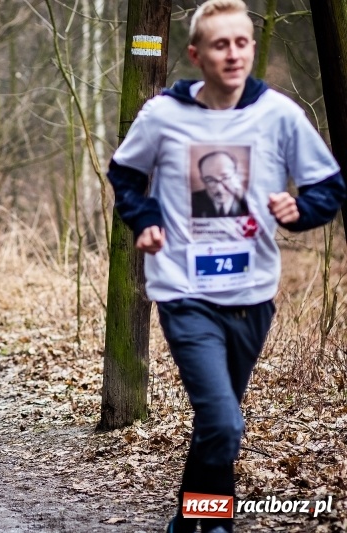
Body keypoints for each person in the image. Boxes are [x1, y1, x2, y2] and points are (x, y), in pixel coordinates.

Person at [106, 2, 346, 532]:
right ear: (196, 54)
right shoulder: (163, 115)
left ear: (252, 48)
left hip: (252, 294)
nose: (233, 53)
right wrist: (144, 217)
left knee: (217, 425)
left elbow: (329, 187)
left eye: (242, 42)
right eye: (220, 44)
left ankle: (192, 519)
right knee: (222, 420)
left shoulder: (279, 115)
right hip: (184, 292)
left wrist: (300, 209)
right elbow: (124, 174)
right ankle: (217, 524)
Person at [191, 150, 249, 218]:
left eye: (225, 178)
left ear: (236, 175)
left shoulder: (249, 201)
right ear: (202, 179)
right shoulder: (192, 201)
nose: (219, 188)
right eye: (210, 180)